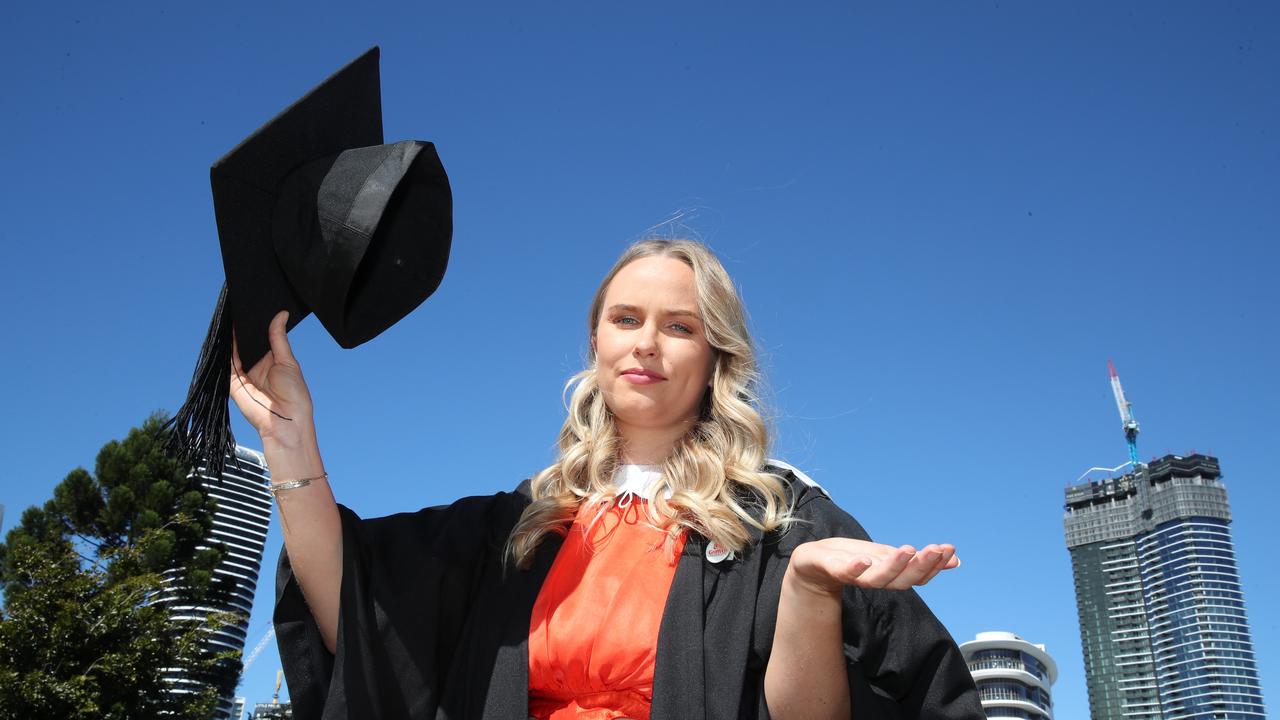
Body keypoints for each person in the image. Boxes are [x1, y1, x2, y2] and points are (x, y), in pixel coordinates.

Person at [231, 239, 984, 720]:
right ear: (595, 342)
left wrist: (809, 593)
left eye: (680, 326)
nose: (647, 344)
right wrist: (290, 445)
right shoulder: (522, 524)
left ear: (716, 357)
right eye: (626, 319)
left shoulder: (780, 521)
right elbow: (358, 612)